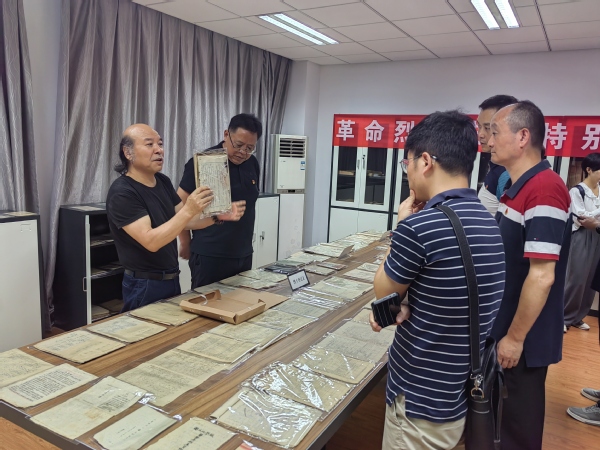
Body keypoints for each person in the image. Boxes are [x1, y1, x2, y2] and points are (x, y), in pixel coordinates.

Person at [369, 110, 505, 450]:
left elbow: (383, 289)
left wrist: (401, 225)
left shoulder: (420, 227)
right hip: (458, 393)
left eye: (408, 163)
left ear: (426, 161)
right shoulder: (488, 222)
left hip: (419, 400)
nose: (408, 173)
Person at [488, 101, 571, 450]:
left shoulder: (544, 189)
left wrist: (515, 338)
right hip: (506, 326)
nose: (489, 141)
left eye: (495, 132)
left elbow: (541, 276)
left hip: (523, 339)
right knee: (497, 425)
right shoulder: (517, 187)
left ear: (523, 137)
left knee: (516, 431)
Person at [106, 124, 245, 312]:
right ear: (128, 153)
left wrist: (217, 216)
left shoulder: (162, 181)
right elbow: (151, 241)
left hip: (171, 278)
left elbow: (186, 222)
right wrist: (189, 209)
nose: (159, 150)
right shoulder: (122, 192)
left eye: (160, 144)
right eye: (149, 144)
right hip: (144, 284)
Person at [178, 113, 261, 289]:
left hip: (243, 253)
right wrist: (185, 242)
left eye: (250, 148)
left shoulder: (252, 163)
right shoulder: (204, 162)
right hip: (210, 255)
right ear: (226, 134)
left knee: (240, 302)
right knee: (207, 303)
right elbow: (179, 207)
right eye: (238, 145)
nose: (242, 152)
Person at [564, 153, 600, 332]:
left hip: (597, 236)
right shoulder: (577, 191)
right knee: (576, 278)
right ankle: (564, 317)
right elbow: (580, 218)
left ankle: (578, 317)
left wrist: (593, 217)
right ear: (589, 170)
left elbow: (589, 217)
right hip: (581, 236)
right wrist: (596, 215)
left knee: (591, 279)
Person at [476, 94, 518, 215]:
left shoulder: (508, 174)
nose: (480, 134)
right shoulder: (497, 166)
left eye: (487, 128)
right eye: (479, 126)